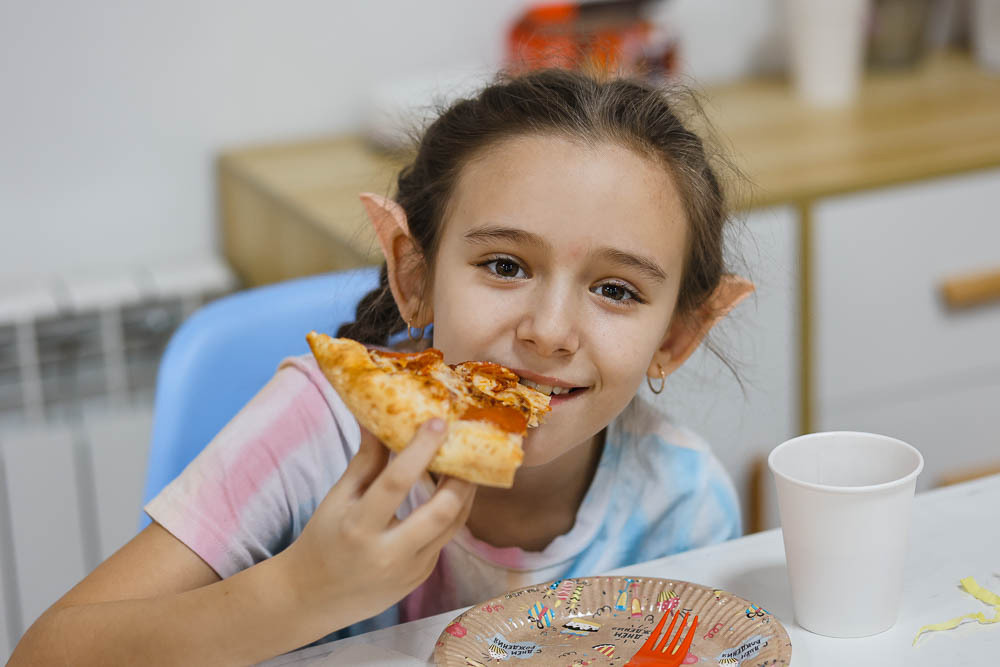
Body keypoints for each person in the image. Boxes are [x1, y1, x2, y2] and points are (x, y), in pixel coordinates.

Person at [10, 67, 753, 665]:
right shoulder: (317, 428)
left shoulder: (682, 505)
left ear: (676, 336)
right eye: (504, 264)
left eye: (615, 289)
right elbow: (44, 656)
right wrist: (304, 590)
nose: (550, 332)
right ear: (415, 272)